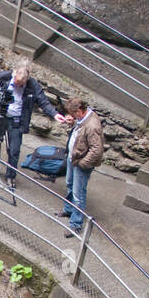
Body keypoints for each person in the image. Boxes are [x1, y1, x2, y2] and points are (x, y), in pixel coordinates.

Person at [0, 60, 70, 191]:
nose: (17, 85)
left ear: (26, 80)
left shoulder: (33, 85)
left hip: (16, 122)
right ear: (14, 75)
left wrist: (54, 114)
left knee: (14, 151)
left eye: (21, 84)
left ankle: (10, 176)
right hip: (0, 117)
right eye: (16, 82)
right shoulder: (6, 76)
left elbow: (43, 101)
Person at [61, 97, 104, 236]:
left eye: (73, 115)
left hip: (80, 163)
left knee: (78, 193)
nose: (73, 117)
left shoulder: (92, 126)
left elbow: (96, 150)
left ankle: (76, 224)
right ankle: (68, 209)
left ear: (79, 111)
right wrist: (72, 122)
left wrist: (82, 164)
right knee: (70, 184)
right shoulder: (82, 119)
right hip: (73, 158)